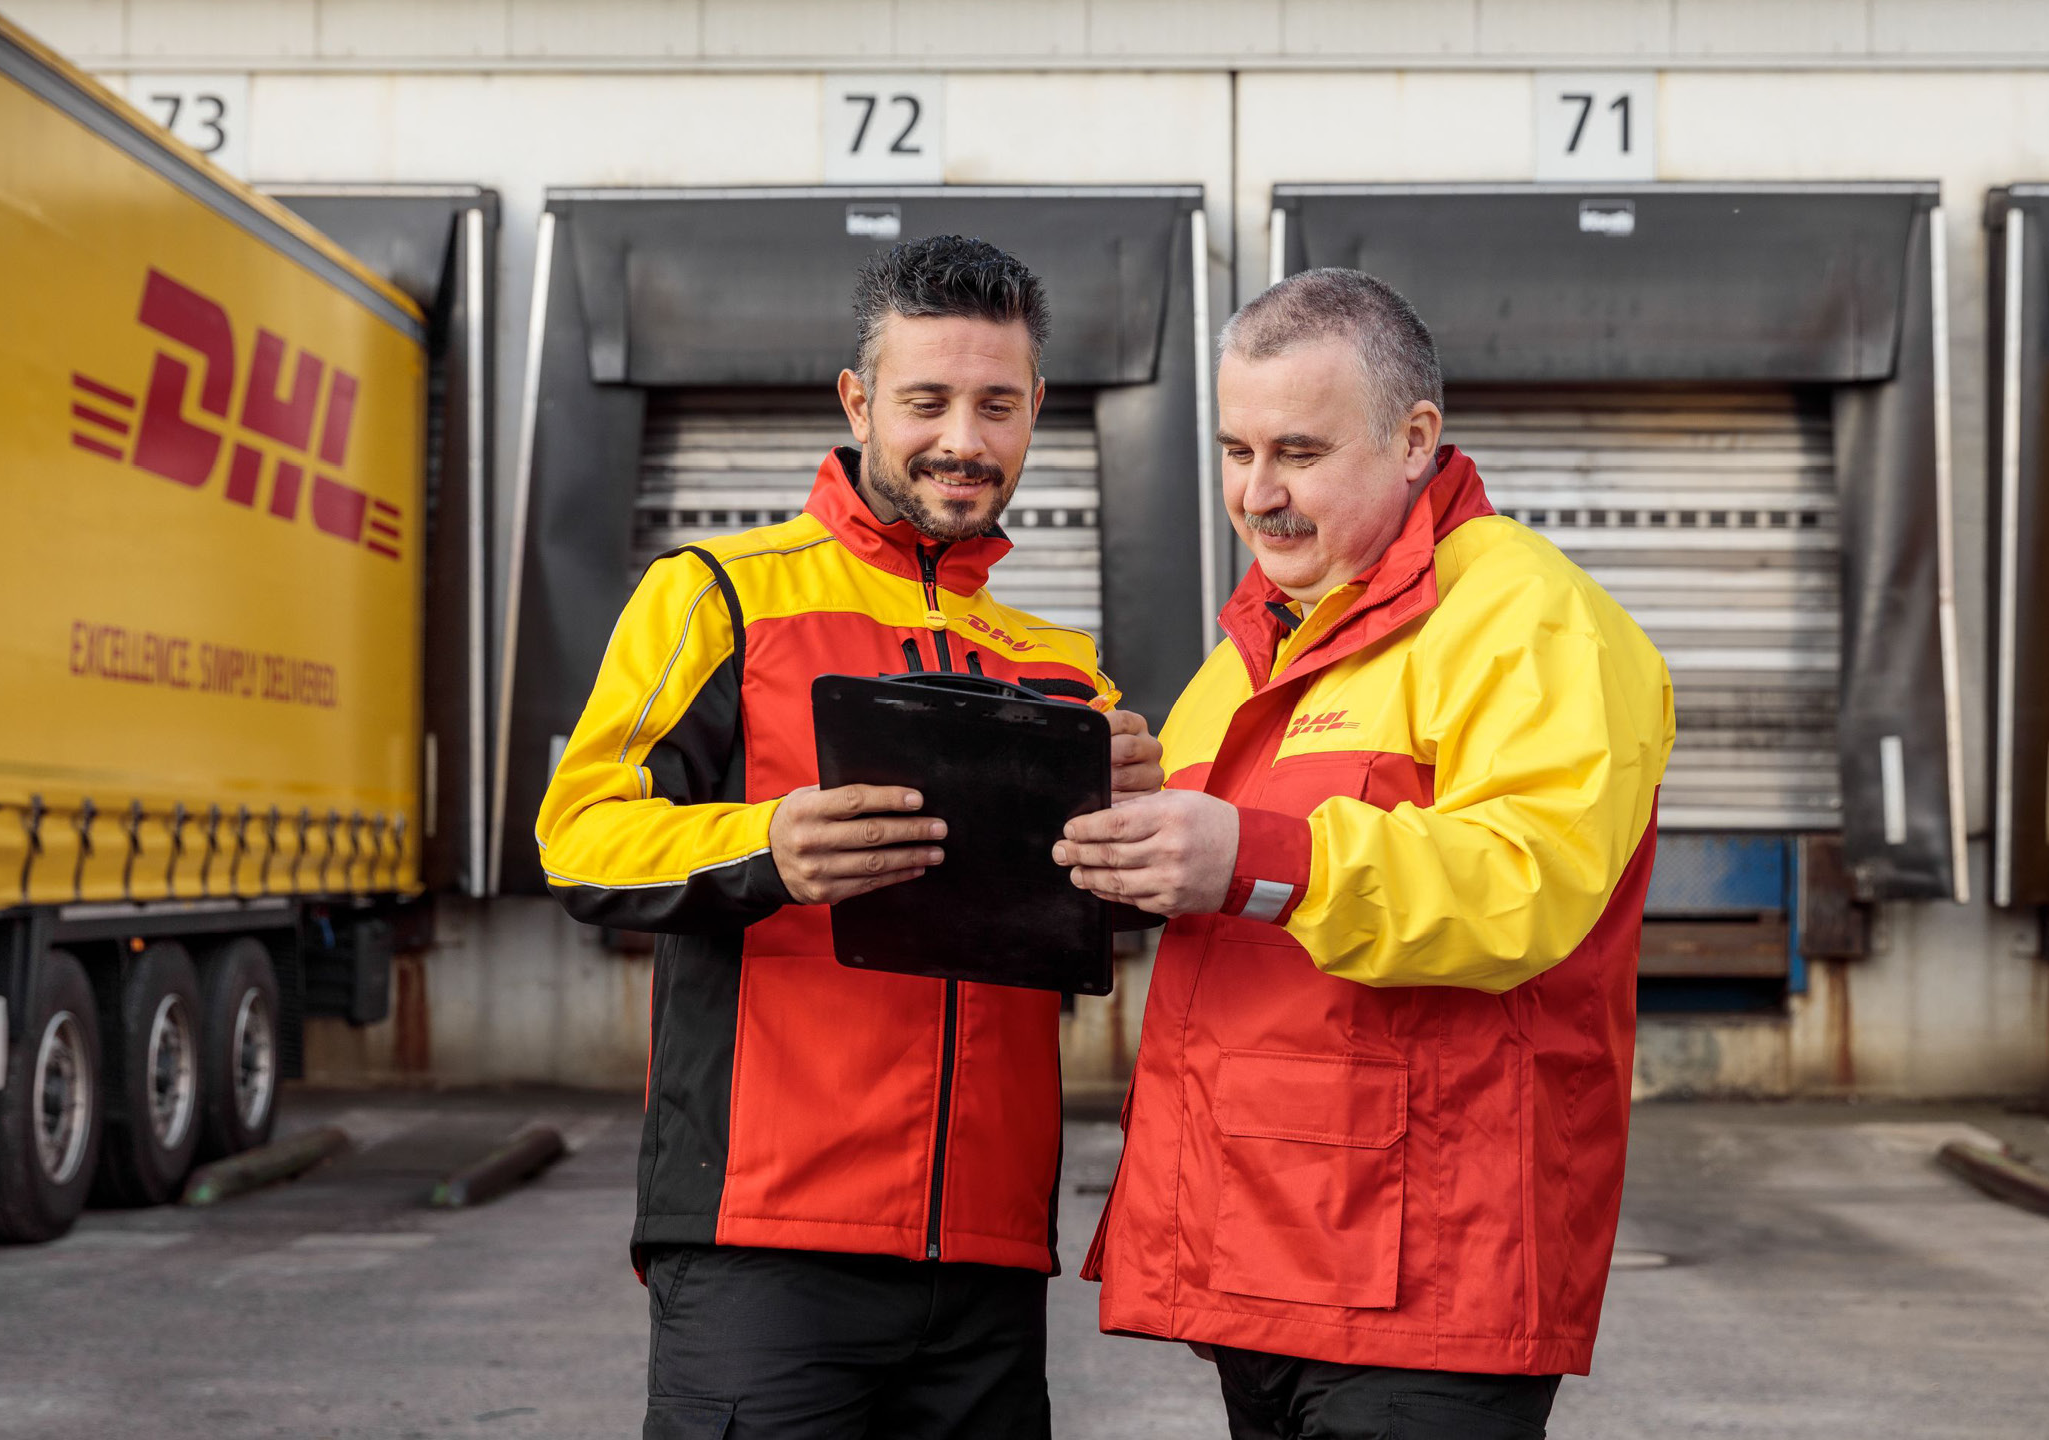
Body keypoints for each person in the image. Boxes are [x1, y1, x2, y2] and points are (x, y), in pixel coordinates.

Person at [536, 235, 1163, 1440]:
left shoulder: (1064, 667)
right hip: (764, 1242)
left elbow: (1100, 912)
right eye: (926, 401)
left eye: (997, 404)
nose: (963, 441)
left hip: (987, 1252)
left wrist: (1137, 830)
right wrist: (769, 846)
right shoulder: (717, 593)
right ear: (859, 402)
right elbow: (579, 835)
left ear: (1037, 408)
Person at [1058, 268, 1675, 1439]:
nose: (1258, 494)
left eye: (1297, 451)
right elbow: (1213, 902)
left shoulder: (1531, 622)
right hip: (1264, 1262)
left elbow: (1523, 889)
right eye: (1236, 451)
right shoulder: (1257, 641)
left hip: (1427, 1275)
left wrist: (1251, 855)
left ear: (1414, 440)